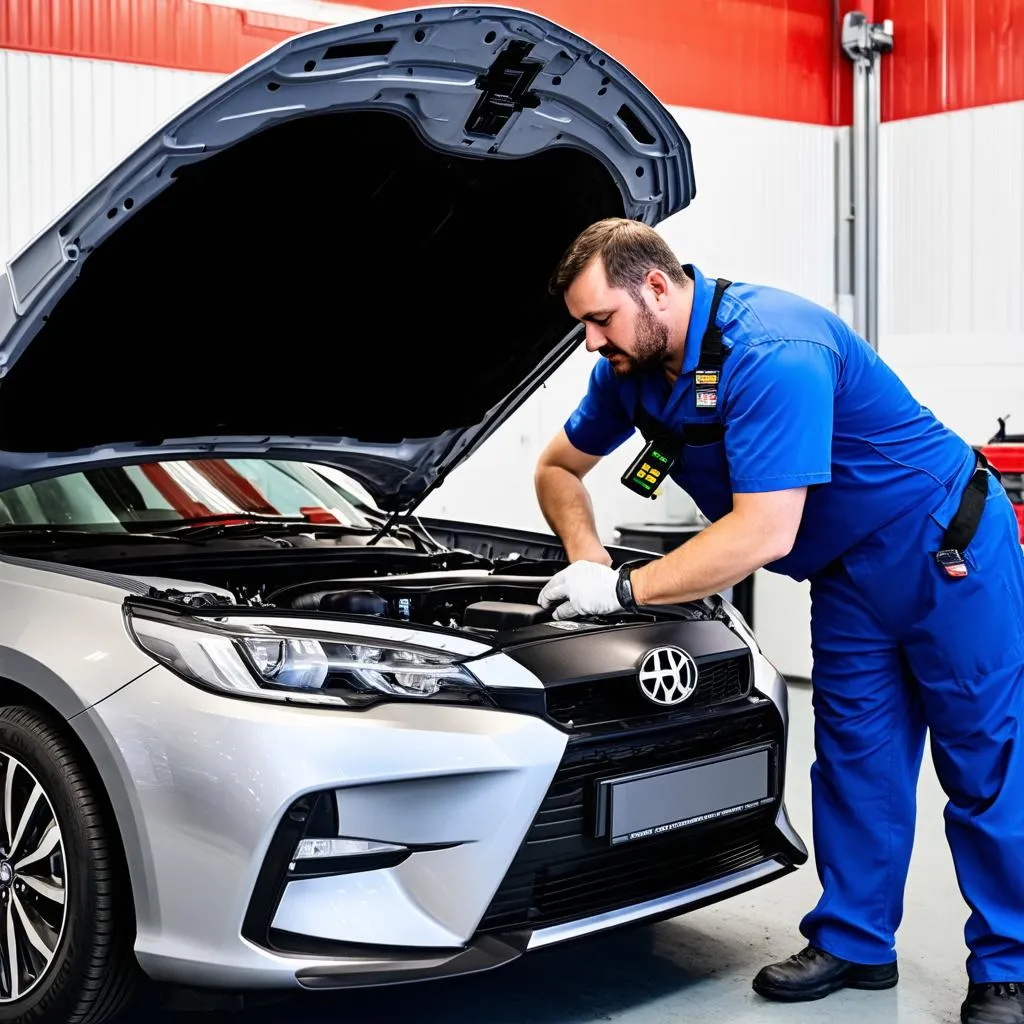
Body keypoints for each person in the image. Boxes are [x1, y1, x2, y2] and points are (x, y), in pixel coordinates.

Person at [533, 217, 1024, 1024]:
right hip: (845, 570)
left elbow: (765, 532)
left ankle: (1008, 966)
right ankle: (856, 943)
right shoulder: (632, 366)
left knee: (984, 759)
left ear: (656, 287)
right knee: (855, 759)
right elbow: (557, 467)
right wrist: (586, 557)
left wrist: (621, 594)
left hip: (943, 547)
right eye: (583, 325)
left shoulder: (774, 348)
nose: (590, 343)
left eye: (600, 320)